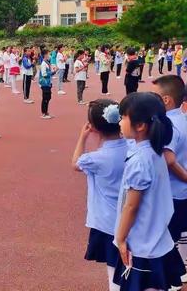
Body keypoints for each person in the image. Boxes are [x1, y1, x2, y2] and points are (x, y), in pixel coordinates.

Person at [113, 92, 186, 290]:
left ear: (140, 126)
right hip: (158, 237)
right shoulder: (155, 150)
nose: (119, 122)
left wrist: (120, 238)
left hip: (142, 244)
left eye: (123, 117)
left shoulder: (139, 161)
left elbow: (131, 206)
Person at [72, 99, 127, 291]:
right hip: (131, 218)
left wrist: (83, 137)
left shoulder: (96, 158)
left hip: (107, 222)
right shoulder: (131, 146)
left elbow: (76, 163)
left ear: (94, 127)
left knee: (114, 271)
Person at [152, 75, 187, 279]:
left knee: (166, 240)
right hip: (179, 192)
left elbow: (169, 159)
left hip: (173, 193)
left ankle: (171, 279)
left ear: (166, 100)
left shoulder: (170, 126)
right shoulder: (181, 119)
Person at [39, 49, 53, 119]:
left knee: (48, 97)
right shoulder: (43, 64)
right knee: (45, 98)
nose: (49, 56)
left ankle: (46, 111)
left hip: (48, 83)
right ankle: (44, 113)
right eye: (48, 54)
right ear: (45, 55)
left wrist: (53, 71)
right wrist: (52, 73)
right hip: (44, 83)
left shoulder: (47, 63)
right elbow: (44, 74)